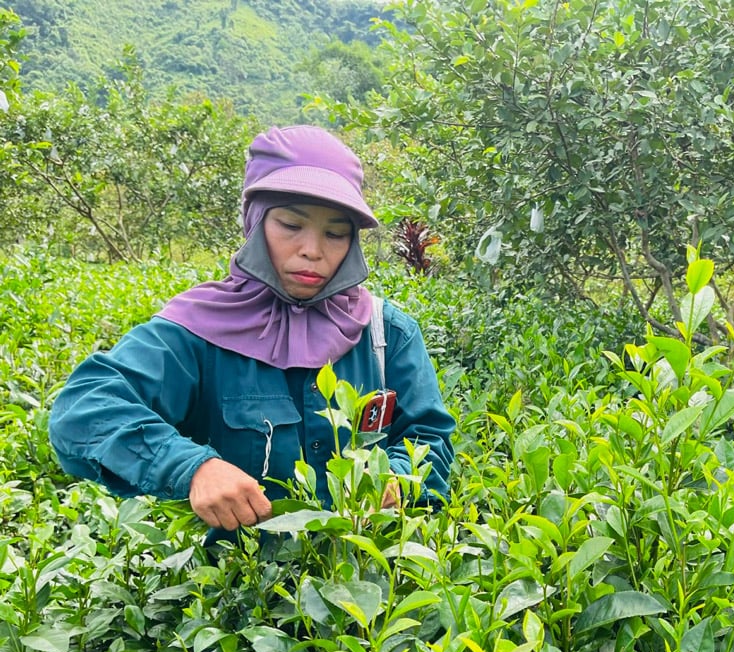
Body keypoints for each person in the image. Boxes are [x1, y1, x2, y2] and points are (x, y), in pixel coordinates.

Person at [48, 125, 456, 534]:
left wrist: (397, 478)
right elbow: (84, 408)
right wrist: (192, 467)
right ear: (256, 222)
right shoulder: (197, 330)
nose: (312, 250)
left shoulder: (386, 334)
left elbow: (430, 437)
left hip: (365, 568)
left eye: (335, 233)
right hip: (238, 572)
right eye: (291, 225)